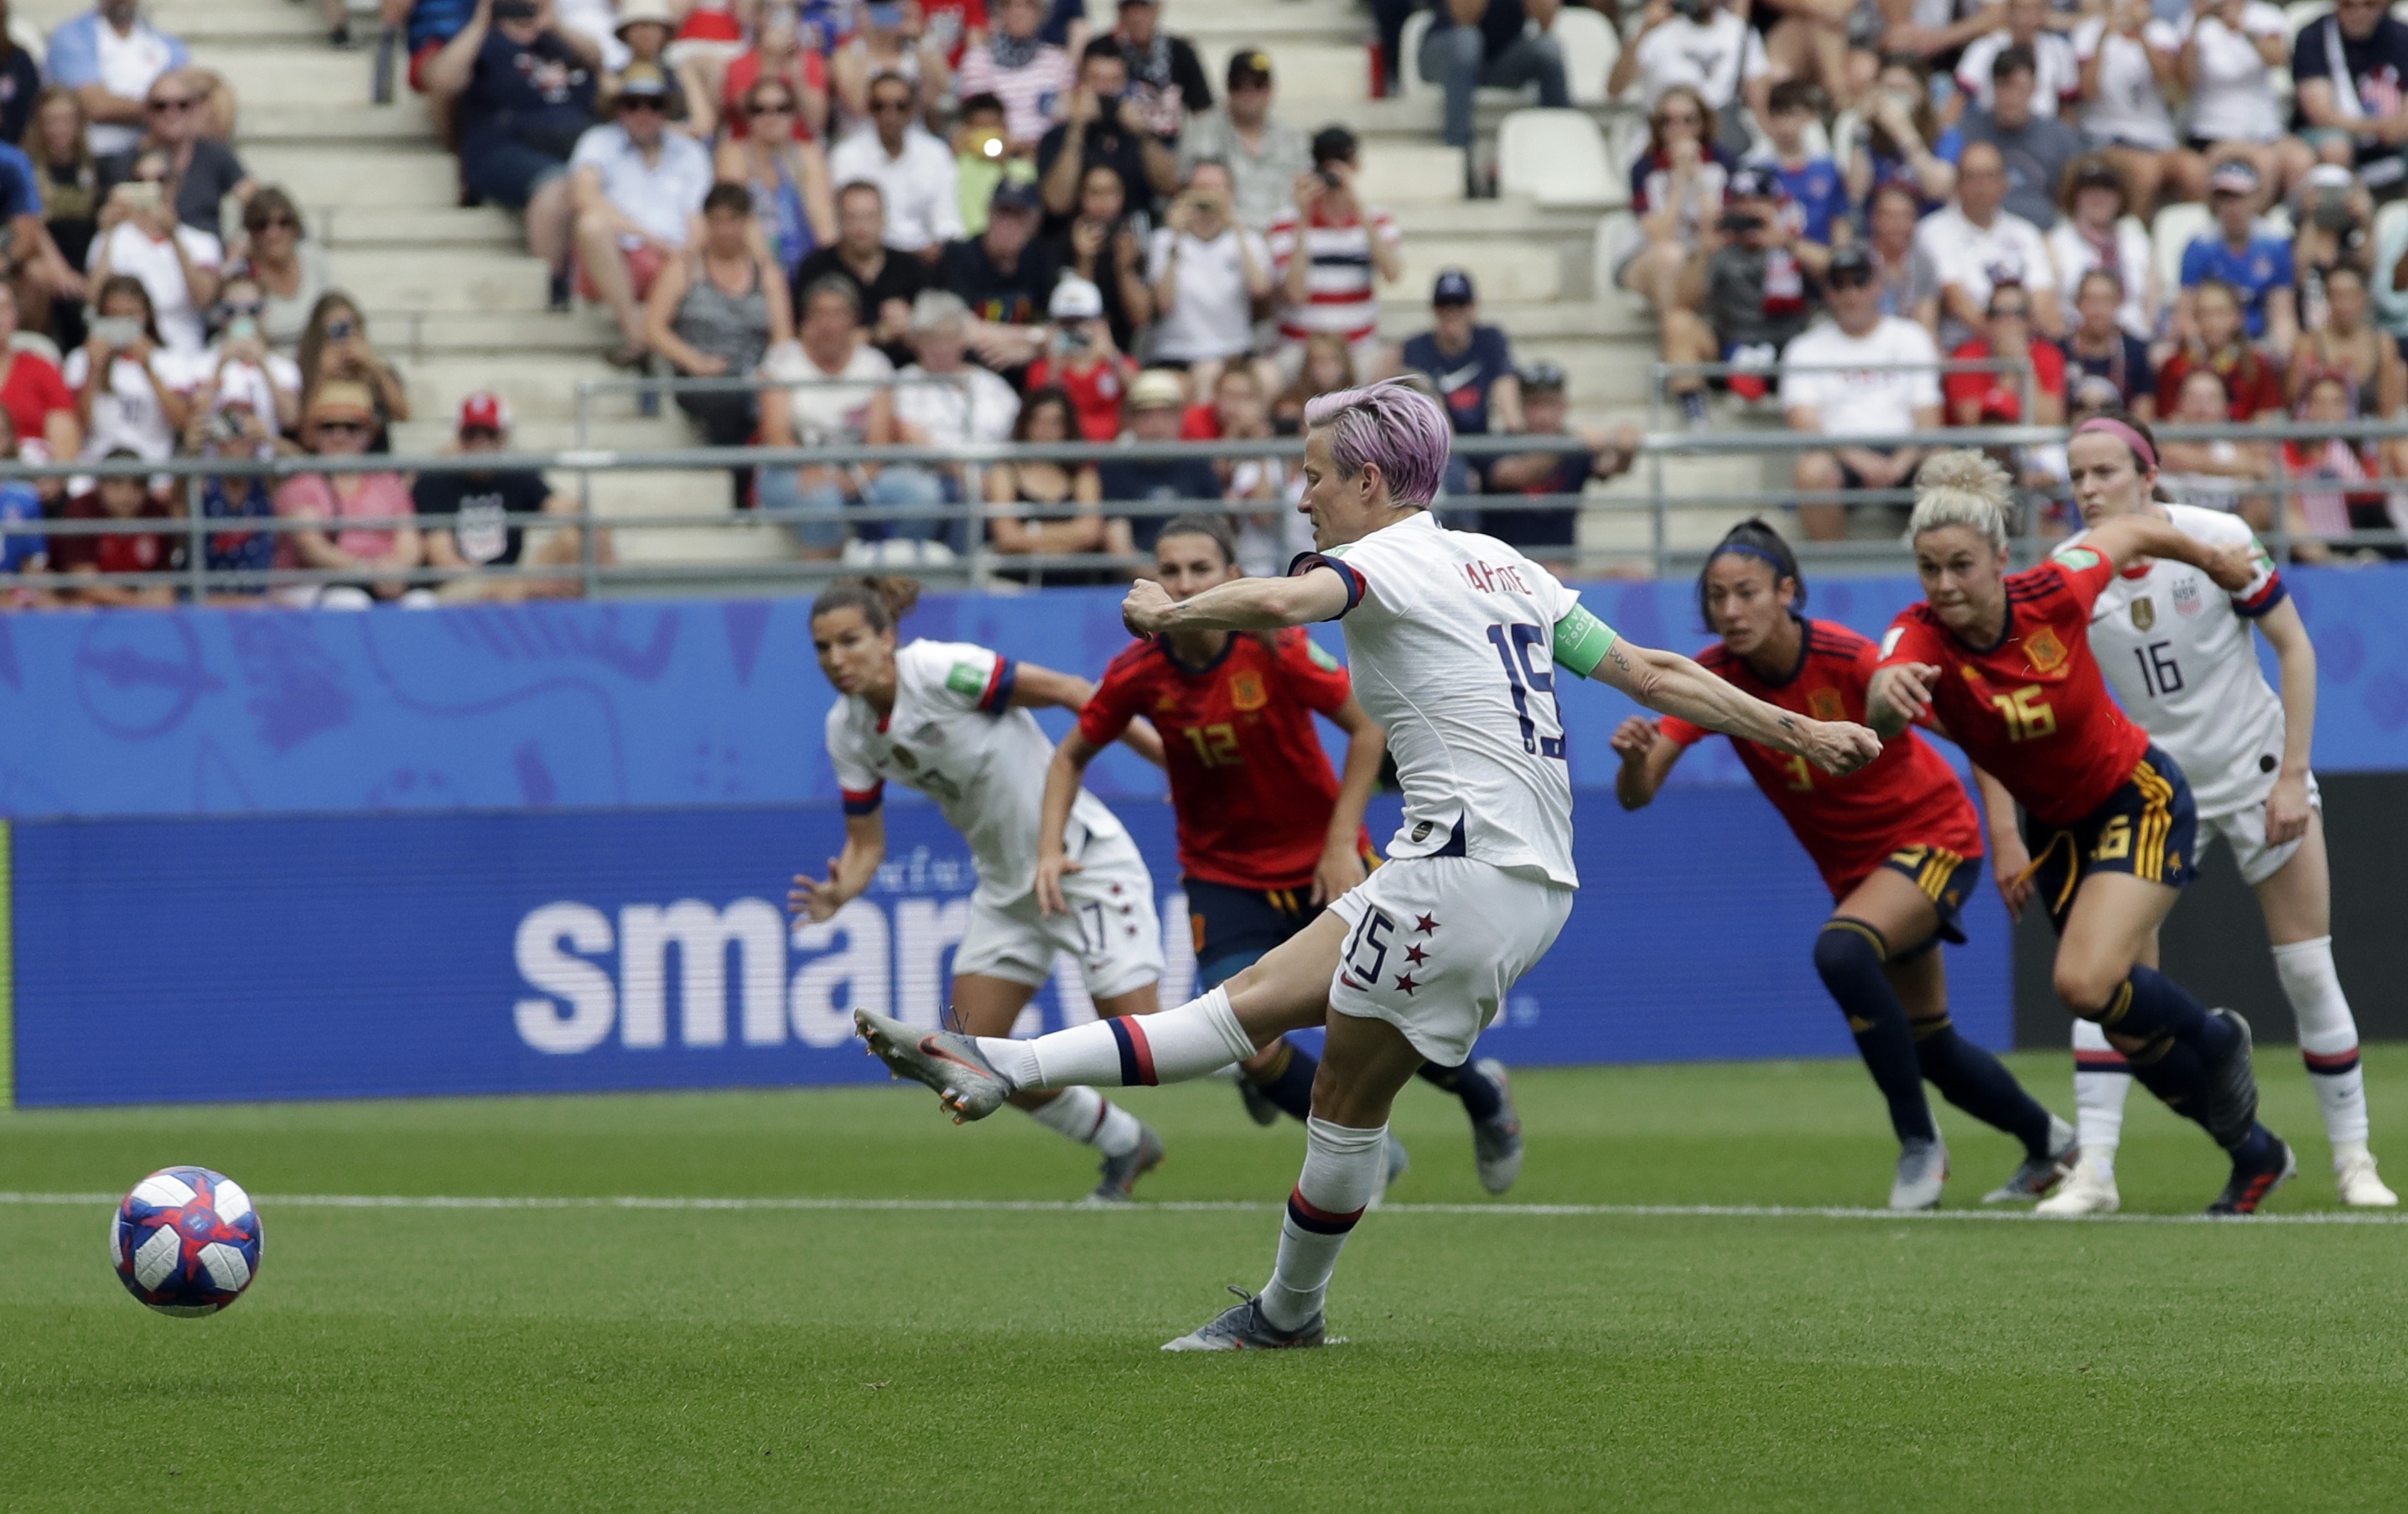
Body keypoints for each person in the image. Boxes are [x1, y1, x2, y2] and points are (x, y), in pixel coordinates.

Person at [854, 378, 1882, 1349]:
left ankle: (1259, 1288)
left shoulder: (1378, 563)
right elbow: (1652, 671)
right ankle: (1007, 1074)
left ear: (1368, 484)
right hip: (1501, 873)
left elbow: (1279, 607)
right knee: (1274, 1027)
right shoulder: (1503, 565)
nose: (1299, 496)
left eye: (1311, 475)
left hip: (1462, 871)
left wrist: (1172, 613)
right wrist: (1797, 730)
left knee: (1287, 1054)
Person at [1866, 444, 2293, 1214]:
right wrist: (1885, 697)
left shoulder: (2056, 589)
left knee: (2083, 982)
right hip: (2057, 834)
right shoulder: (1919, 637)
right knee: (2130, 1029)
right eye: (1930, 570)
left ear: (2000, 558)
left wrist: (2211, 560)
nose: (1945, 585)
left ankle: (2222, 1039)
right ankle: (2256, 1153)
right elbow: (1882, 689)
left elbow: (2131, 533)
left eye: (1961, 565)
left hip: (2140, 796)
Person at [1615, 520, 2074, 1208]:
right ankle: (2051, 1144)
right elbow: (1638, 796)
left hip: (1937, 838)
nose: (1730, 611)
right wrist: (1631, 761)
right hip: (1862, 875)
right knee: (1933, 1047)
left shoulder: (1848, 656)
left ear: (1788, 592)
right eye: (1717, 597)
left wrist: (2007, 835)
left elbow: (1978, 733)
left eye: (1746, 593)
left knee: (1841, 952)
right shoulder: (1715, 677)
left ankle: (1920, 1146)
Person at [1056, 513, 1520, 1187]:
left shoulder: (1275, 647)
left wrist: (1340, 844)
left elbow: (1367, 728)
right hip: (1223, 875)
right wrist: (1049, 849)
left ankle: (1485, 1098)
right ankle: (1366, 1154)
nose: (1184, 583)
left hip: (1321, 866)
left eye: (1201, 570)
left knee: (1384, 1019)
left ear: (1231, 578)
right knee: (1243, 1034)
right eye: (1172, 571)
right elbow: (1071, 754)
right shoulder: (1138, 669)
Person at [2007, 414, 2393, 1213]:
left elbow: (2295, 647)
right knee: (2109, 976)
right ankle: (2097, 1173)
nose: (2088, 490)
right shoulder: (2065, 575)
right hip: (2151, 793)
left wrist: (2292, 776)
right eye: (2077, 476)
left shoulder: (2218, 538)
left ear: (2148, 475)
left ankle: (2356, 1164)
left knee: (2308, 970)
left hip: (2255, 776)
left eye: (2104, 472)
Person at [791, 575, 1174, 1201]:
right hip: (1006, 891)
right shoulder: (848, 731)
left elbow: (1079, 694)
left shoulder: (943, 670)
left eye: (851, 641)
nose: (837, 660)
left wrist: (1175, 768)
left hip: (1083, 865)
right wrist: (840, 895)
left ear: (888, 637)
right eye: (823, 648)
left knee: (1151, 1043)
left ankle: (1280, 1071)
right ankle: (1125, 1144)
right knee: (969, 1059)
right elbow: (865, 847)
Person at [428, 0, 600, 309]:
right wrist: (481, 22)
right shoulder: (483, 40)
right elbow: (442, 80)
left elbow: (596, 58)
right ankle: (554, 284)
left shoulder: (556, 40)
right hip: (504, 148)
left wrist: (554, 23)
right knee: (556, 185)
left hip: (572, 143)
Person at [759, 276, 946, 552]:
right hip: (793, 469)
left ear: (853, 320)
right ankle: (822, 587)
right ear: (805, 320)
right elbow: (775, 433)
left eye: (838, 314)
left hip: (859, 471)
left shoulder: (875, 365)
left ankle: (891, 578)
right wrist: (813, 468)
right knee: (823, 500)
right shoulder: (782, 361)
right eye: (819, 313)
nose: (828, 324)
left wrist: (860, 476)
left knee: (922, 494)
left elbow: (878, 441)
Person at [1783, 246, 1944, 541]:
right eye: (1839, 284)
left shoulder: (1911, 337)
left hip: (1906, 450)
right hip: (1840, 454)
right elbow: (1804, 423)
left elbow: (1928, 416)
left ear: (1878, 286)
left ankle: (1938, 570)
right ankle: (1832, 575)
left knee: (1947, 466)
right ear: (1828, 292)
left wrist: (1900, 463)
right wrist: (1861, 460)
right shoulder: (1804, 347)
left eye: (1860, 281)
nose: (1851, 293)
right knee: (1812, 471)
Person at [646, 182, 793, 503]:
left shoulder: (767, 274)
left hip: (753, 374)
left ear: (746, 223)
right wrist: (694, 360)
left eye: (733, 221)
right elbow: (654, 328)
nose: (725, 230)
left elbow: (783, 337)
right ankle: (739, 492)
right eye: (718, 221)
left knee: (756, 398)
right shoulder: (685, 267)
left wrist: (769, 370)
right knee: (732, 402)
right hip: (701, 375)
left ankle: (752, 486)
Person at [569, 64, 713, 367]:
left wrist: (685, 253)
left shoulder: (690, 152)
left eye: (654, 104)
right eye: (633, 104)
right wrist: (651, 239)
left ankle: (652, 343)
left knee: (699, 259)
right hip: (620, 256)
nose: (643, 113)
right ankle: (636, 333)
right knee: (592, 225)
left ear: (666, 110)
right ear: (619, 109)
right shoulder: (599, 141)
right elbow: (584, 197)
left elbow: (698, 217)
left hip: (674, 260)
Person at [1616, 86, 1734, 427]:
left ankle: (1679, 341)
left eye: (1688, 120)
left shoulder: (1724, 163)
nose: (1678, 129)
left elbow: (1719, 229)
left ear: (1703, 123)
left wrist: (1700, 180)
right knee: (1670, 254)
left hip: (1701, 263)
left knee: (1703, 254)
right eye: (1668, 121)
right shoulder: (1644, 167)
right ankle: (1680, 344)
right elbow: (1659, 233)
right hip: (1649, 262)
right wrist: (1680, 182)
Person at [417, 391, 609, 599]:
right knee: (505, 589)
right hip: (460, 587)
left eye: (489, 434)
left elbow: (566, 509)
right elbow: (444, 562)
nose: (480, 443)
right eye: (471, 434)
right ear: (459, 438)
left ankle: (598, 601)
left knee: (573, 538)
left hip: (512, 581)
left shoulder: (517, 475)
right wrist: (506, 585)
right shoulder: (435, 482)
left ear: (503, 437)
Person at [273, 381, 429, 607]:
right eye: (329, 427)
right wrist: (366, 572)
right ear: (314, 434)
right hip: (314, 585)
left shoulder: (388, 482)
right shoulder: (300, 485)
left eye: (352, 427)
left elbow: (410, 541)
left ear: (369, 434)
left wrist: (396, 569)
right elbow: (311, 548)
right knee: (349, 603)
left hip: (383, 582)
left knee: (421, 603)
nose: (340, 436)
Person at [1265, 127, 1400, 384]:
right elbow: (1295, 293)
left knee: (1393, 366)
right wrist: (1303, 217)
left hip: (1358, 350)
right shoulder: (1286, 223)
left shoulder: (1378, 220)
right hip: (1299, 349)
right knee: (1265, 376)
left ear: (1356, 165)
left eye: (1342, 162)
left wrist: (1357, 206)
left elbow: (1392, 273)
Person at [1483, 360, 1637, 560]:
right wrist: (1565, 444)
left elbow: (1612, 466)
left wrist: (1626, 443)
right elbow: (1512, 474)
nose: (1545, 416)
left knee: (1631, 575)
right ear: (1520, 407)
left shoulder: (1574, 446)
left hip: (1561, 571)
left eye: (1552, 404)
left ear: (1565, 406)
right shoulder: (1497, 445)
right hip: (1506, 572)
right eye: (1535, 405)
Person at [1914, 141, 2061, 350]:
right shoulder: (1933, 231)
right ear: (1957, 183)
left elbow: (2042, 297)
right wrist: (2005, 344)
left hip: (2025, 344)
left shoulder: (2026, 232)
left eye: (1989, 176)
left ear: (2005, 182)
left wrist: (2018, 344)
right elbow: (1956, 301)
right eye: (1972, 177)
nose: (1981, 185)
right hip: (1964, 349)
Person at [1146, 158, 1269, 397]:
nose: (1208, 196)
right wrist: (1176, 236)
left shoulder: (1249, 240)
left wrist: (1237, 229)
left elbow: (1260, 290)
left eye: (1216, 188)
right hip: (1178, 352)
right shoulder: (1164, 240)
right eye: (1201, 188)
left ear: (1231, 193)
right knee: (1207, 374)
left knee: (1268, 376)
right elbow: (1163, 303)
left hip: (1235, 350)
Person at [891, 288, 1020, 506]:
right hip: (932, 475)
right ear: (916, 341)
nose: (941, 348)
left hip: (994, 474)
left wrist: (1000, 479)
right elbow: (909, 435)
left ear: (963, 339)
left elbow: (1018, 432)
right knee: (961, 494)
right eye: (932, 339)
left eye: (949, 338)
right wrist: (968, 477)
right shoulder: (902, 384)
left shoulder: (993, 385)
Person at [86, 145, 221, 353]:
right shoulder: (111, 238)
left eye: (161, 180)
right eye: (141, 180)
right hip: (122, 344)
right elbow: (95, 300)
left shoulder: (201, 242)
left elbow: (204, 300)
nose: (152, 188)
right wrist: (109, 234)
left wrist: (174, 237)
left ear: (175, 184)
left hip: (182, 347)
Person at [2068, 0, 2198, 214]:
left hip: (2157, 138)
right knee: (2146, 172)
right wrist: (2103, 39)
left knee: (2195, 171)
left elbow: (2171, 88)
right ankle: (2138, 237)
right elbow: (2087, 94)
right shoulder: (2089, 31)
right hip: (2107, 136)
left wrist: (2142, 34)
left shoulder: (2161, 32)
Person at [1705, 166, 1823, 402]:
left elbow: (1834, 271)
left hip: (1788, 344)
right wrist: (1703, 250)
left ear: (1777, 204)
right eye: (1741, 201)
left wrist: (1785, 242)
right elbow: (1686, 300)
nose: (1750, 209)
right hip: (1734, 342)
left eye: (1759, 200)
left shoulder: (1792, 237)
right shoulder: (1720, 247)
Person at [1399, 267, 1518, 496]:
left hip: (1486, 441)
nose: (1452, 313)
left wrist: (1515, 435)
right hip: (1442, 448)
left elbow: (1509, 406)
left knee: (1512, 472)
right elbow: (1435, 417)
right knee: (1456, 480)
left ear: (1473, 309)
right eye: (1445, 306)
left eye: (1460, 306)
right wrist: (1458, 464)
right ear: (1435, 310)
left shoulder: (1490, 340)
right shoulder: (1418, 348)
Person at [2175, 0, 2311, 200]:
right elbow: (2184, 83)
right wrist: (2197, 25)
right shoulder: (2192, 21)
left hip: (2266, 131)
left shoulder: (2265, 16)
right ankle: (2251, 226)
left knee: (2301, 159)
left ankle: (2293, 221)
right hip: (2214, 132)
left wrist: (2242, 28)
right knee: (2264, 161)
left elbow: (2280, 59)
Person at [987, 384, 1121, 582]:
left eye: (1055, 422)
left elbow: (1091, 532)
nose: (1045, 430)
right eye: (1037, 420)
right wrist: (1068, 539)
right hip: (1016, 583)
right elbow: (1006, 536)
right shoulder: (1004, 472)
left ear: (1068, 427)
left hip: (1076, 583)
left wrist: (1033, 534)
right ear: (1025, 423)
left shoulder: (1083, 474)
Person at [1038, 39, 1179, 226]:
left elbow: (1169, 186)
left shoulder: (1139, 134)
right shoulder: (1056, 136)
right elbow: (1057, 203)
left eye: (1114, 81)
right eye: (1096, 79)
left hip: (1134, 234)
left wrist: (1143, 133)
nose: (1105, 90)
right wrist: (1077, 127)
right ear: (1080, 82)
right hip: (1073, 238)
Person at [98, 70, 252, 238]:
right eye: (160, 106)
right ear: (146, 110)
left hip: (205, 258)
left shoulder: (215, 156)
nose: (171, 113)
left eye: (182, 105)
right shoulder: (121, 162)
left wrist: (242, 245)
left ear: (195, 109)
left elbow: (257, 201)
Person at [1175, 50, 1310, 235]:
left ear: (1271, 89)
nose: (1249, 92)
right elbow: (1185, 191)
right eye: (1238, 85)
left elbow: (1305, 192)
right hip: (1224, 237)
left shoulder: (1293, 138)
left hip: (1283, 235)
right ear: (1227, 88)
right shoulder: (1202, 131)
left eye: (1258, 84)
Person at [717, 79, 838, 284]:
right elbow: (739, 220)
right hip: (752, 264)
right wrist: (771, 275)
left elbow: (823, 222)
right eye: (759, 110)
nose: (770, 118)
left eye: (781, 109)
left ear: (794, 114)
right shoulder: (734, 153)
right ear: (748, 116)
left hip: (804, 258)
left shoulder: (808, 154)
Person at [796, 179, 931, 363]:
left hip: (907, 373)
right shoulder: (816, 268)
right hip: (838, 374)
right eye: (853, 217)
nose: (861, 228)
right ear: (839, 220)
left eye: (870, 217)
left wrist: (912, 325)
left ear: (883, 219)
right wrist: (876, 334)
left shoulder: (910, 267)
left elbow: (938, 333)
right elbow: (804, 336)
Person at [826, 72, 958, 258]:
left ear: (913, 109)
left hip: (926, 259)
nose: (890, 114)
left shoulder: (935, 154)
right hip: (867, 258)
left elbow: (947, 223)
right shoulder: (846, 156)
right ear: (869, 109)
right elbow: (842, 225)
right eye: (880, 106)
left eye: (900, 106)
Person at [1422, 0, 1569, 163]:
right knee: (1469, 40)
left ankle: (1563, 152)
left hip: (1498, 62)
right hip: (1446, 54)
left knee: (1549, 48)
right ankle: (1459, 158)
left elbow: (1546, 26)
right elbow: (1464, 19)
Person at [938, 178, 1061, 371]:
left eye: (1019, 215)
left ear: (1034, 222)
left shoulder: (1043, 259)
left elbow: (1069, 334)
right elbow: (956, 326)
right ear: (989, 213)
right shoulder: (960, 255)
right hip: (973, 366)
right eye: (1003, 213)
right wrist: (1035, 337)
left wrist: (1029, 352)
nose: (1009, 224)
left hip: (1030, 370)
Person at [2281, 371, 2406, 559]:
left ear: (2349, 408)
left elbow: (2371, 496)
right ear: (2306, 408)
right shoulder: (2289, 450)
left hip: (2359, 535)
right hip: (2311, 545)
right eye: (2319, 403)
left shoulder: (2361, 450)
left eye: (2337, 403)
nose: (2327, 412)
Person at [1958, 48, 2084, 233]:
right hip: (1977, 234)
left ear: (2034, 88)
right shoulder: (1967, 131)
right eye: (2003, 86)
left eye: (2019, 88)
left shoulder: (2060, 137)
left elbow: (2075, 198)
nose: (2011, 97)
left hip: (2044, 236)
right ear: (1993, 88)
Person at [64, 273, 185, 466]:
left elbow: (182, 423)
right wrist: (93, 370)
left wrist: (148, 367)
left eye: (130, 315)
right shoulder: (80, 360)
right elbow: (77, 427)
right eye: (114, 315)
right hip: (97, 468)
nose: (122, 323)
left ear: (146, 315)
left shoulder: (169, 361)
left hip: (155, 467)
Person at [2292, 0, 2408, 201]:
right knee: (2336, 149)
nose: (2358, 12)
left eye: (2368, 4)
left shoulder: (2400, 34)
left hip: (2392, 132)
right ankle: (2340, 219)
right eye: (2348, 5)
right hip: (2334, 131)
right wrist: (2380, 127)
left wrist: (2400, 126)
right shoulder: (2314, 36)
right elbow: (2321, 113)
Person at [45, 0, 193, 158]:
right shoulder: (74, 36)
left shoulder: (163, 43)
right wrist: (163, 110)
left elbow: (192, 95)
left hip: (156, 152)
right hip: (100, 155)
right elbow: (95, 105)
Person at [2176, 158, 2295, 353]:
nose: (2232, 206)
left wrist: (2283, 352)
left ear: (2255, 199)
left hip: (2258, 342)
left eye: (2239, 197)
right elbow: (2185, 312)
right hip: (2210, 341)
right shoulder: (2200, 246)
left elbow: (2282, 312)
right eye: (2224, 197)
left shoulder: (2275, 245)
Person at [1096, 367, 1217, 550]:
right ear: (1131, 420)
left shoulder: (1200, 465)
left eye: (1166, 414)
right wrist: (1159, 577)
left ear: (1180, 419)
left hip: (1195, 571)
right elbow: (1120, 549)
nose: (1157, 425)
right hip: (1135, 577)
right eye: (1146, 415)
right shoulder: (1115, 468)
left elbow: (1218, 535)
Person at [1610, 0, 1770, 135]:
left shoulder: (1740, 31)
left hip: (1719, 138)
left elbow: (1760, 99)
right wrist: (1645, 30)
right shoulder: (1659, 30)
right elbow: (1615, 89)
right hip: (1662, 137)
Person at [2046, 157, 2156, 344]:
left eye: (2107, 189)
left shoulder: (2138, 243)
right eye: (2089, 189)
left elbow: (2152, 304)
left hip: (2133, 340)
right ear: (2075, 195)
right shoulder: (2056, 243)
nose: (2099, 197)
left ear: (2120, 197)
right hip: (2076, 343)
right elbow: (2049, 306)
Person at [1046, 163, 1153, 353]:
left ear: (1122, 197)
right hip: (1076, 345)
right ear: (1082, 197)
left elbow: (1142, 319)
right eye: (1094, 193)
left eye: (1110, 193)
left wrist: (1125, 269)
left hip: (1128, 346)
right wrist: (1084, 260)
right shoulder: (1064, 241)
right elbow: (1071, 312)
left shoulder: (1135, 238)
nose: (1103, 202)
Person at [49, 451, 176, 606]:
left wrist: (158, 600)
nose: (127, 494)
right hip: (79, 603)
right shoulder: (81, 511)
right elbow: (85, 584)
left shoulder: (157, 513)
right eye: (117, 483)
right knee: (83, 606)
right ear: (100, 484)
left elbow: (164, 581)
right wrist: (139, 603)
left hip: (137, 604)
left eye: (138, 484)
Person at [187, 272, 304, 438]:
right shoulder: (201, 363)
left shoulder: (283, 367)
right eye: (231, 310)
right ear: (220, 313)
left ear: (265, 312)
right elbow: (193, 417)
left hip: (263, 460)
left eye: (252, 310)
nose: (242, 317)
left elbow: (290, 419)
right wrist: (220, 364)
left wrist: (264, 365)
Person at [1022, 274, 1135, 440]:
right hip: (1063, 454)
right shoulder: (1041, 369)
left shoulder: (1119, 363)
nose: (1075, 330)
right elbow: (1037, 414)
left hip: (1112, 453)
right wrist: (1055, 369)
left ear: (1100, 322)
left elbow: (1141, 394)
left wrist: (1112, 356)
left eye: (1082, 321)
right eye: (1066, 323)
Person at [953, 0, 1075, 153]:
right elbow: (977, 116)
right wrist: (1014, 146)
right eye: (1010, 6)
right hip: (991, 150)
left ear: (1040, 13)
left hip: (1045, 152)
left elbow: (1063, 116)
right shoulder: (978, 59)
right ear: (999, 12)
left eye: (1028, 6)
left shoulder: (1057, 62)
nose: (1019, 13)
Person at [2156, 277, 2285, 422]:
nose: (2213, 322)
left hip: (2243, 443)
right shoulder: (2175, 366)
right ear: (2195, 317)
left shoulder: (2257, 367)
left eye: (2221, 312)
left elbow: (2266, 420)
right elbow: (2168, 419)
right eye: (2205, 313)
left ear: (2238, 317)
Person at [1746, 80, 1850, 252]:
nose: (1787, 126)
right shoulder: (1754, 170)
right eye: (1780, 115)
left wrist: (1840, 261)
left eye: (1794, 115)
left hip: (1820, 261)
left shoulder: (1827, 167)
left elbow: (1839, 221)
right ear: (1769, 118)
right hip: (1773, 265)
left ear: (1809, 117)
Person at [297, 293, 413, 445]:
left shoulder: (376, 372)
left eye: (349, 326)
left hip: (373, 461)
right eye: (335, 329)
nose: (343, 337)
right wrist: (322, 375)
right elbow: (305, 437)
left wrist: (372, 364)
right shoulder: (302, 373)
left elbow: (403, 414)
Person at [1848, 55, 1960, 212]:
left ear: (1922, 93)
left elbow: (1938, 189)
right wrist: (1862, 128)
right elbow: (1856, 192)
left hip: (1927, 227)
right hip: (1880, 230)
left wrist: (1902, 130)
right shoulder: (1868, 135)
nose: (1894, 98)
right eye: (1888, 89)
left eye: (1903, 89)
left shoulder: (1945, 136)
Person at [1945, 282, 2066, 427]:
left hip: (2037, 446)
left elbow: (2050, 421)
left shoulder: (2048, 355)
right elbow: (1975, 424)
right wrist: (2009, 375)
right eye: (1998, 313)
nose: (2008, 321)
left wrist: (2023, 365)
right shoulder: (1967, 357)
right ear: (1987, 320)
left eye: (2018, 313)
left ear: (2030, 320)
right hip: (1980, 447)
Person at [829, 4, 951, 142]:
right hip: (861, 144)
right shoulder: (847, 55)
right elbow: (857, 104)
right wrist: (867, 41)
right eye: (880, 7)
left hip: (912, 141)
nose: (885, 16)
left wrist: (920, 37)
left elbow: (939, 94)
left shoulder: (917, 52)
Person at [231, 188, 330, 355]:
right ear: (250, 233)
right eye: (262, 225)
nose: (273, 233)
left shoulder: (314, 259)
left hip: (317, 362)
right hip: (267, 367)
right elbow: (238, 334)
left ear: (295, 227)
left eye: (283, 222)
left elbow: (332, 313)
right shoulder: (244, 273)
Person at [0, 281, 84, 467]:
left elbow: (65, 443)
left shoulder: (41, 369)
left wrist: (54, 478)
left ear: (15, 315)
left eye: (4, 308)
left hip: (32, 477)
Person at [1954, 0, 2078, 120]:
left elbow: (2067, 109)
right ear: (2008, 11)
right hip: (1994, 131)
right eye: (2020, 10)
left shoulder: (2059, 49)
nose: (2026, 19)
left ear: (2044, 13)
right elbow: (1958, 102)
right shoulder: (1984, 47)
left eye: (2034, 10)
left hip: (2043, 134)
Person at [2059, 268, 2156, 417]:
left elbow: (2143, 415)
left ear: (2118, 304)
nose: (2097, 310)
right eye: (2090, 300)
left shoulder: (2136, 353)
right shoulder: (2060, 351)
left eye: (2105, 300)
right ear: (2077, 304)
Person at [1108, 0, 1208, 142]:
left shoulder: (1181, 51)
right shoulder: (1104, 49)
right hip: (1119, 144)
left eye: (1143, 8)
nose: (1136, 17)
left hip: (1172, 144)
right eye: (1129, 9)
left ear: (1157, 9)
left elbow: (1202, 110)